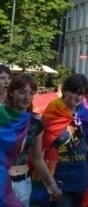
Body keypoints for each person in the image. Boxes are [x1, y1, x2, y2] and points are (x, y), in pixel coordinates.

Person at [3, 73, 62, 205]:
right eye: (23, 92)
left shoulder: (36, 122)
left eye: (31, 93)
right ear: (12, 92)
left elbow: (37, 159)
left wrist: (51, 184)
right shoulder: (2, 117)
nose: (27, 97)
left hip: (23, 183)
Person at [42, 74, 88, 206]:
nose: (79, 97)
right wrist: (49, 183)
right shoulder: (52, 112)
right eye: (75, 92)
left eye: (82, 94)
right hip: (59, 180)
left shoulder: (84, 113)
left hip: (82, 178)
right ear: (64, 90)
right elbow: (42, 147)